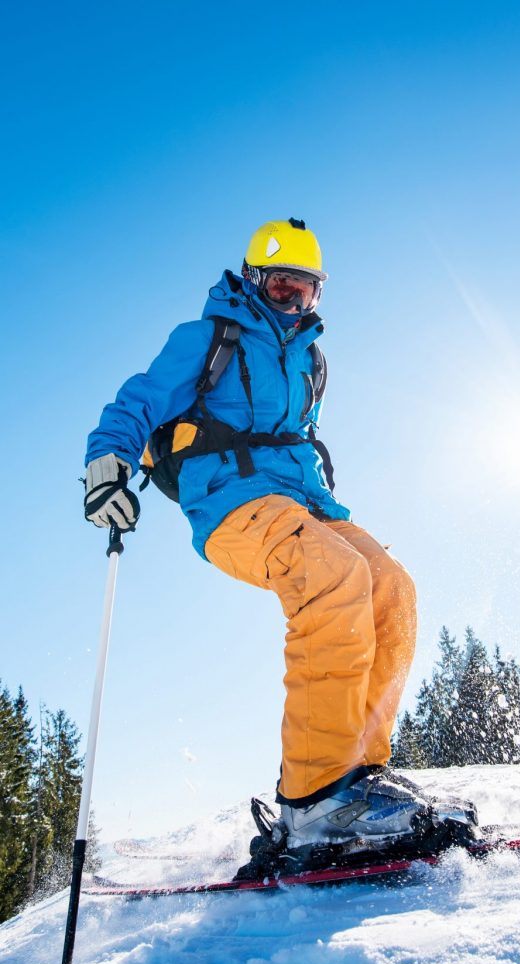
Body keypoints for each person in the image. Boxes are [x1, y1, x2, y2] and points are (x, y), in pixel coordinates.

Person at [84, 218, 420, 850]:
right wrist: (108, 465)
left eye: (305, 292)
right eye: (280, 288)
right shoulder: (208, 338)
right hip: (230, 503)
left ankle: (359, 775)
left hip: (306, 502)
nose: (292, 304)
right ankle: (315, 799)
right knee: (332, 578)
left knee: (392, 590)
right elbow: (139, 401)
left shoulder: (311, 359)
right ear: (253, 282)